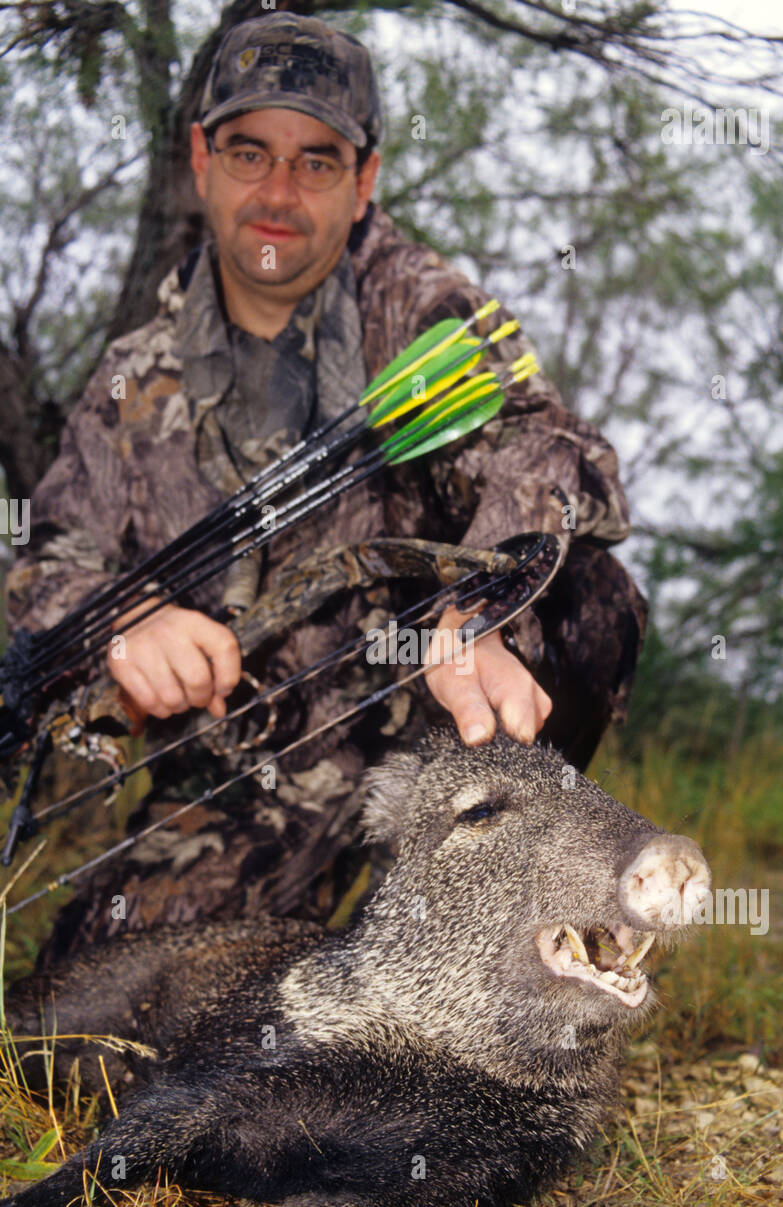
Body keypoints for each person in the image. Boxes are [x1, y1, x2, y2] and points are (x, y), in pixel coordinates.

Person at [5, 13, 646, 965]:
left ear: (364, 182)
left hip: (441, 747)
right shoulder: (130, 381)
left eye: (316, 161)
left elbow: (556, 447)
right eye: (250, 151)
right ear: (201, 159)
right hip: (244, 783)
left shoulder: (425, 317)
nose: (277, 191)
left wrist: (486, 605)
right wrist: (125, 620)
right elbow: (45, 551)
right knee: (94, 1025)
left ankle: (468, 935)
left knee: (587, 596)